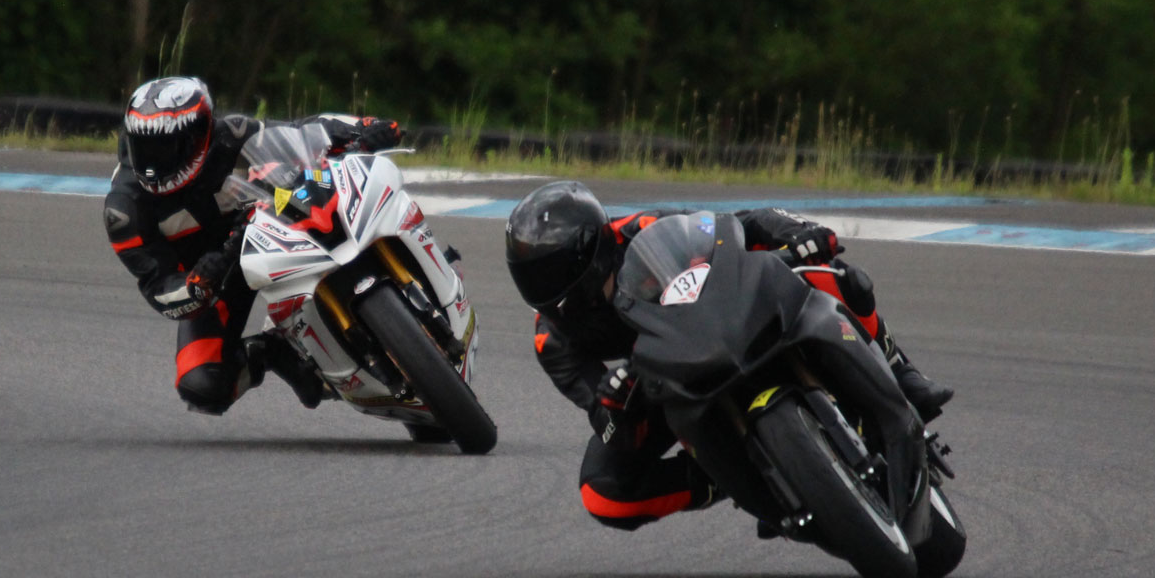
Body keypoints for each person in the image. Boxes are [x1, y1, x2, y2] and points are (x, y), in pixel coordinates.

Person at [503, 180, 953, 532]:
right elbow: (604, 421)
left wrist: (797, 236)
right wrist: (611, 400)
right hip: (662, 377)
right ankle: (720, 475)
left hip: (721, 314)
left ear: (591, 251)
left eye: (552, 273)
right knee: (601, 493)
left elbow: (735, 225)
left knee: (830, 273)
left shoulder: (638, 230)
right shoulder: (553, 340)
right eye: (532, 278)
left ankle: (902, 371)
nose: (547, 293)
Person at [105, 75, 403, 414]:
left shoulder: (229, 134)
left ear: (199, 134)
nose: (153, 162)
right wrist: (196, 285)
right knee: (202, 385)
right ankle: (272, 352)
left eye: (165, 147)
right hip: (217, 275)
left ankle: (406, 260)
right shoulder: (124, 209)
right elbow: (157, 285)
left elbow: (302, 132)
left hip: (270, 218)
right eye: (144, 146)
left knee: (343, 194)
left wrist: (364, 129)